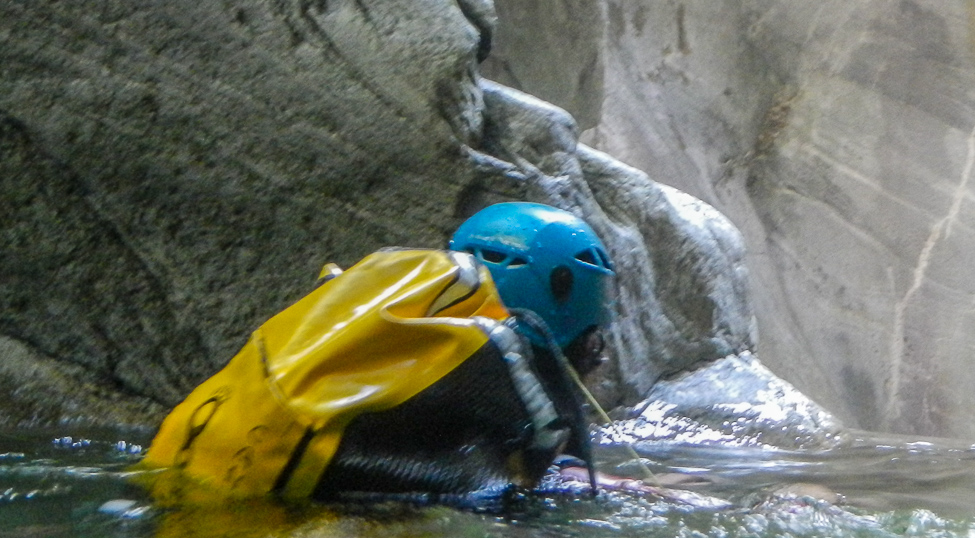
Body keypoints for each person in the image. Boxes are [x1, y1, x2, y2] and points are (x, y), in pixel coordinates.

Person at [140, 202, 627, 504]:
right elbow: (529, 488)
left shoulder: (395, 331)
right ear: (584, 340)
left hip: (178, 480)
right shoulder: (502, 381)